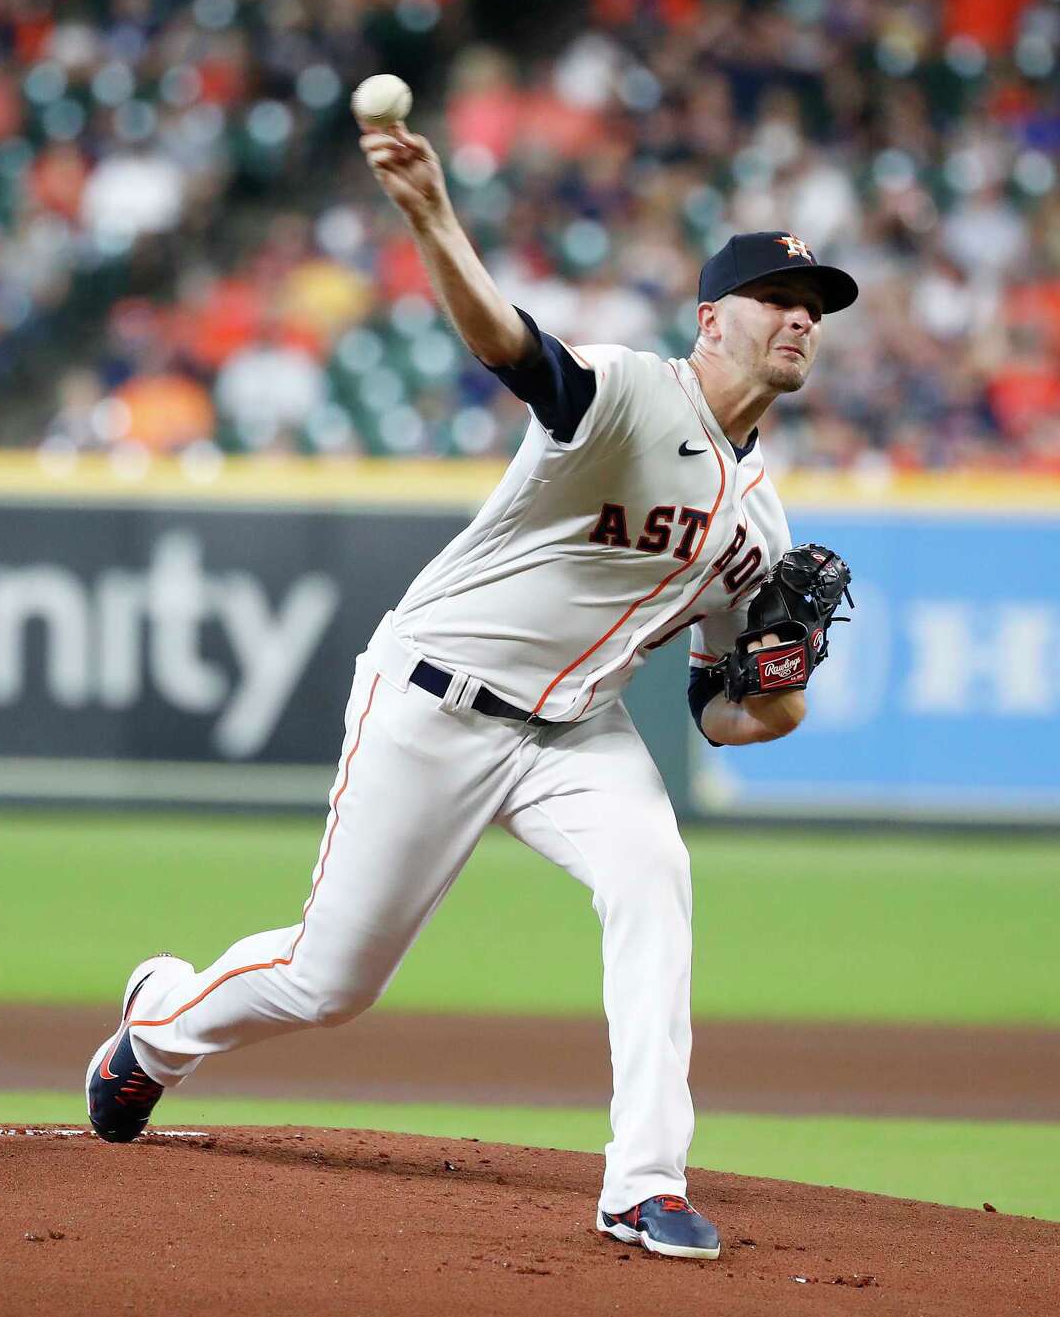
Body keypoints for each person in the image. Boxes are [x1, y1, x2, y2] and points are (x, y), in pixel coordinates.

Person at [85, 121, 859, 1262]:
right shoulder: (630, 393)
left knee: (654, 878)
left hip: (576, 736)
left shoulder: (764, 523)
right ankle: (155, 1027)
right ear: (712, 318)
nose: (801, 316)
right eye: (777, 294)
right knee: (328, 979)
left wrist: (782, 682)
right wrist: (431, 216)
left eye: (815, 303)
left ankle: (643, 1183)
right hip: (434, 701)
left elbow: (723, 712)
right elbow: (511, 346)